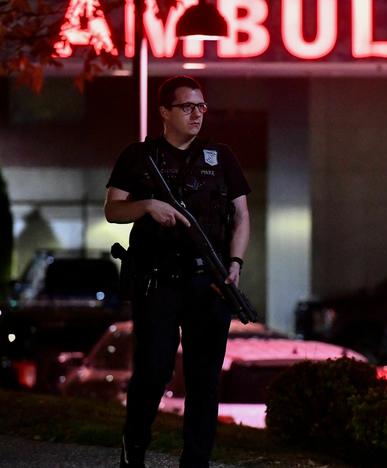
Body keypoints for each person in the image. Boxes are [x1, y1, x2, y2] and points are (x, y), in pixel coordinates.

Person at [104, 75, 251, 468]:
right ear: (164, 112)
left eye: (201, 106)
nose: (197, 114)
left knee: (205, 381)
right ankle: (133, 451)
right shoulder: (140, 156)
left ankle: (196, 461)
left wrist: (235, 264)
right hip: (158, 282)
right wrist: (148, 205)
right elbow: (113, 208)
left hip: (210, 283)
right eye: (187, 106)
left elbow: (241, 216)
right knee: (153, 372)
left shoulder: (221, 157)